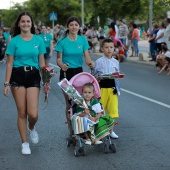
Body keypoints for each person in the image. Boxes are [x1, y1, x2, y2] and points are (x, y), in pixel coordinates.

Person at [3, 12, 46, 155]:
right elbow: (9, 64)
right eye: (23, 21)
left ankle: (32, 128)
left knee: (33, 114)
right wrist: (6, 83)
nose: (26, 24)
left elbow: (42, 63)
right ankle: (24, 143)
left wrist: (46, 79)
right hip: (18, 75)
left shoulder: (39, 40)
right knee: (22, 112)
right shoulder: (13, 40)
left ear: (32, 24)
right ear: (19, 24)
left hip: (33, 75)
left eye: (28, 21)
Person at [55, 16, 94, 125]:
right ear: (68, 26)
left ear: (79, 26)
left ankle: (79, 125)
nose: (74, 27)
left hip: (79, 74)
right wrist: (62, 65)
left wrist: (91, 64)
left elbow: (87, 57)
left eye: (76, 25)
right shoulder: (62, 41)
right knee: (69, 103)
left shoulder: (83, 40)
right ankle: (71, 129)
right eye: (71, 25)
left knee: (79, 102)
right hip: (66, 73)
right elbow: (58, 59)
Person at [94, 38, 120, 139]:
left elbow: (117, 76)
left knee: (113, 111)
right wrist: (98, 78)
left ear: (114, 48)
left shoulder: (116, 62)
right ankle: (101, 130)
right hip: (102, 89)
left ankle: (111, 130)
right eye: (106, 47)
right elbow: (94, 75)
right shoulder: (99, 61)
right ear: (102, 49)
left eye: (111, 47)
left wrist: (118, 78)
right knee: (100, 111)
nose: (109, 50)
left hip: (112, 89)